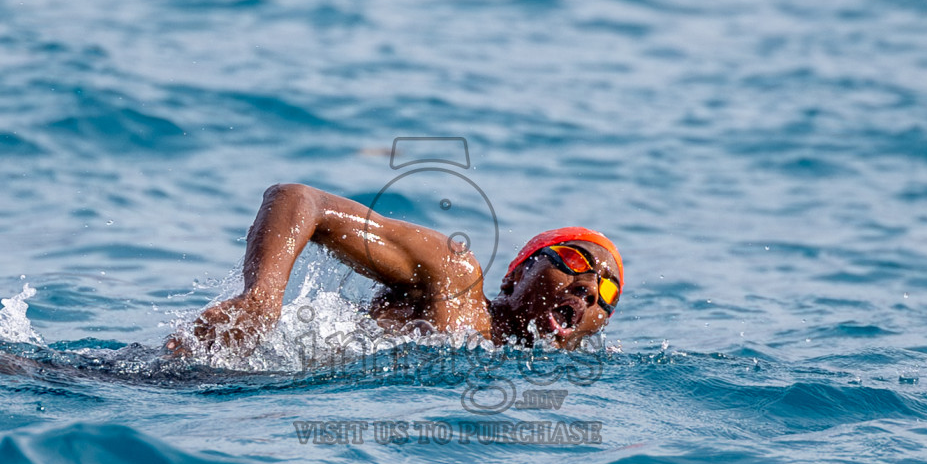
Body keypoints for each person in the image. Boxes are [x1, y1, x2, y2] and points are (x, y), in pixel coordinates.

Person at [165, 183, 623, 356]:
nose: (588, 288)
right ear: (516, 272)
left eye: (608, 292)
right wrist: (261, 299)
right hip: (213, 376)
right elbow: (299, 199)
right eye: (576, 262)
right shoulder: (453, 278)